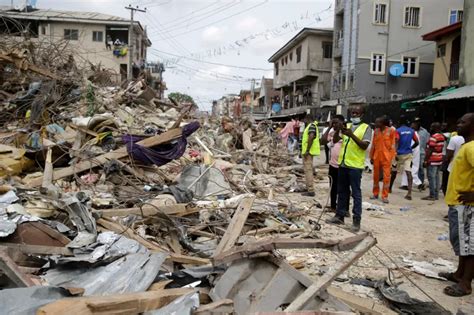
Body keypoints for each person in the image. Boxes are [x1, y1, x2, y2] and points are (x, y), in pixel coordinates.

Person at [440, 113, 474, 297]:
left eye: (463, 122)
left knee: (469, 245)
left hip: (467, 204)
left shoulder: (472, 147)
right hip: (458, 203)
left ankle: (466, 283)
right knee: (462, 243)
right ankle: (459, 274)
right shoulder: (465, 145)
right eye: (458, 120)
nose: (458, 124)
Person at [327, 105, 372, 232]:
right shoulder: (348, 126)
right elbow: (335, 141)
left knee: (356, 193)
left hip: (355, 166)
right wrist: (338, 130)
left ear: (362, 115)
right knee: (341, 191)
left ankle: (356, 220)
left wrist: (351, 135)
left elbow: (364, 146)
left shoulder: (366, 128)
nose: (354, 115)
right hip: (343, 164)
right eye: (352, 113)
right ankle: (339, 215)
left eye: (357, 113)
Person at [321, 115, 347, 212]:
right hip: (333, 164)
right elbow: (323, 141)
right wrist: (329, 128)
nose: (334, 125)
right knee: (332, 186)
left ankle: (344, 209)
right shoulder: (332, 132)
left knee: (342, 188)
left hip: (342, 165)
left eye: (336, 123)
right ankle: (333, 206)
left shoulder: (345, 133)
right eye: (333, 123)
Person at [391, 115, 419, 200]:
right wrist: (411, 148)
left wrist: (395, 153)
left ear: (399, 122)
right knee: (408, 172)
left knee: (394, 172)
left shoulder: (398, 131)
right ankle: (409, 193)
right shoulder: (412, 131)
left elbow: (396, 141)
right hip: (408, 154)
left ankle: (389, 188)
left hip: (399, 154)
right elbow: (417, 142)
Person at [370, 116, 396, 203]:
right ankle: (375, 193)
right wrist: (371, 157)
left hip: (386, 157)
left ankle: (385, 196)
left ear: (383, 123)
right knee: (376, 176)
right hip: (377, 156)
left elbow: (393, 145)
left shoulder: (391, 130)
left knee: (386, 177)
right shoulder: (376, 131)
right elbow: (373, 144)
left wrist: (391, 158)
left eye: (378, 122)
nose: (376, 124)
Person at [422, 122, 445, 201]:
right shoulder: (442, 136)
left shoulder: (433, 137)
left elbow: (430, 150)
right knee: (437, 177)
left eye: (432, 127)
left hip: (432, 159)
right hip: (439, 159)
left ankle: (432, 195)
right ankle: (436, 195)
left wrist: (425, 160)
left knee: (431, 177)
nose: (430, 128)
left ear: (435, 128)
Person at [301, 114, 320, 197]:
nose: (303, 122)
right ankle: (308, 187)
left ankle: (310, 190)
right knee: (307, 169)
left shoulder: (311, 126)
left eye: (304, 120)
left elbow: (311, 136)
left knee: (308, 170)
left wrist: (307, 150)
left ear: (307, 119)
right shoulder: (312, 126)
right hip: (309, 152)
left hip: (308, 152)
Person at [413, 118, 430, 188]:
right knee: (413, 168)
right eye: (415, 122)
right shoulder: (412, 131)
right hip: (413, 152)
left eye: (418, 122)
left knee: (421, 168)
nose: (416, 124)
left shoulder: (424, 132)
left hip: (421, 152)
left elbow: (427, 142)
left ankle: (421, 182)